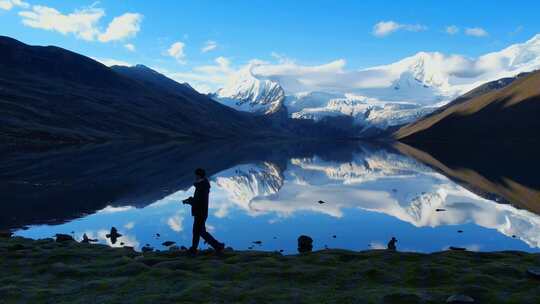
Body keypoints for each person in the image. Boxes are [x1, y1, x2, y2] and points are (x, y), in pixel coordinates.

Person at [183, 168, 224, 255]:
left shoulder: (202, 187)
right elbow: (198, 200)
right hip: (201, 212)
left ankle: (217, 246)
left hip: (200, 213)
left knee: (199, 232)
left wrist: (189, 201)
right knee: (199, 231)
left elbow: (198, 201)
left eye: (196, 175)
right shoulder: (202, 185)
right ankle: (216, 246)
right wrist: (190, 200)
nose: (195, 177)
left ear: (199, 175)